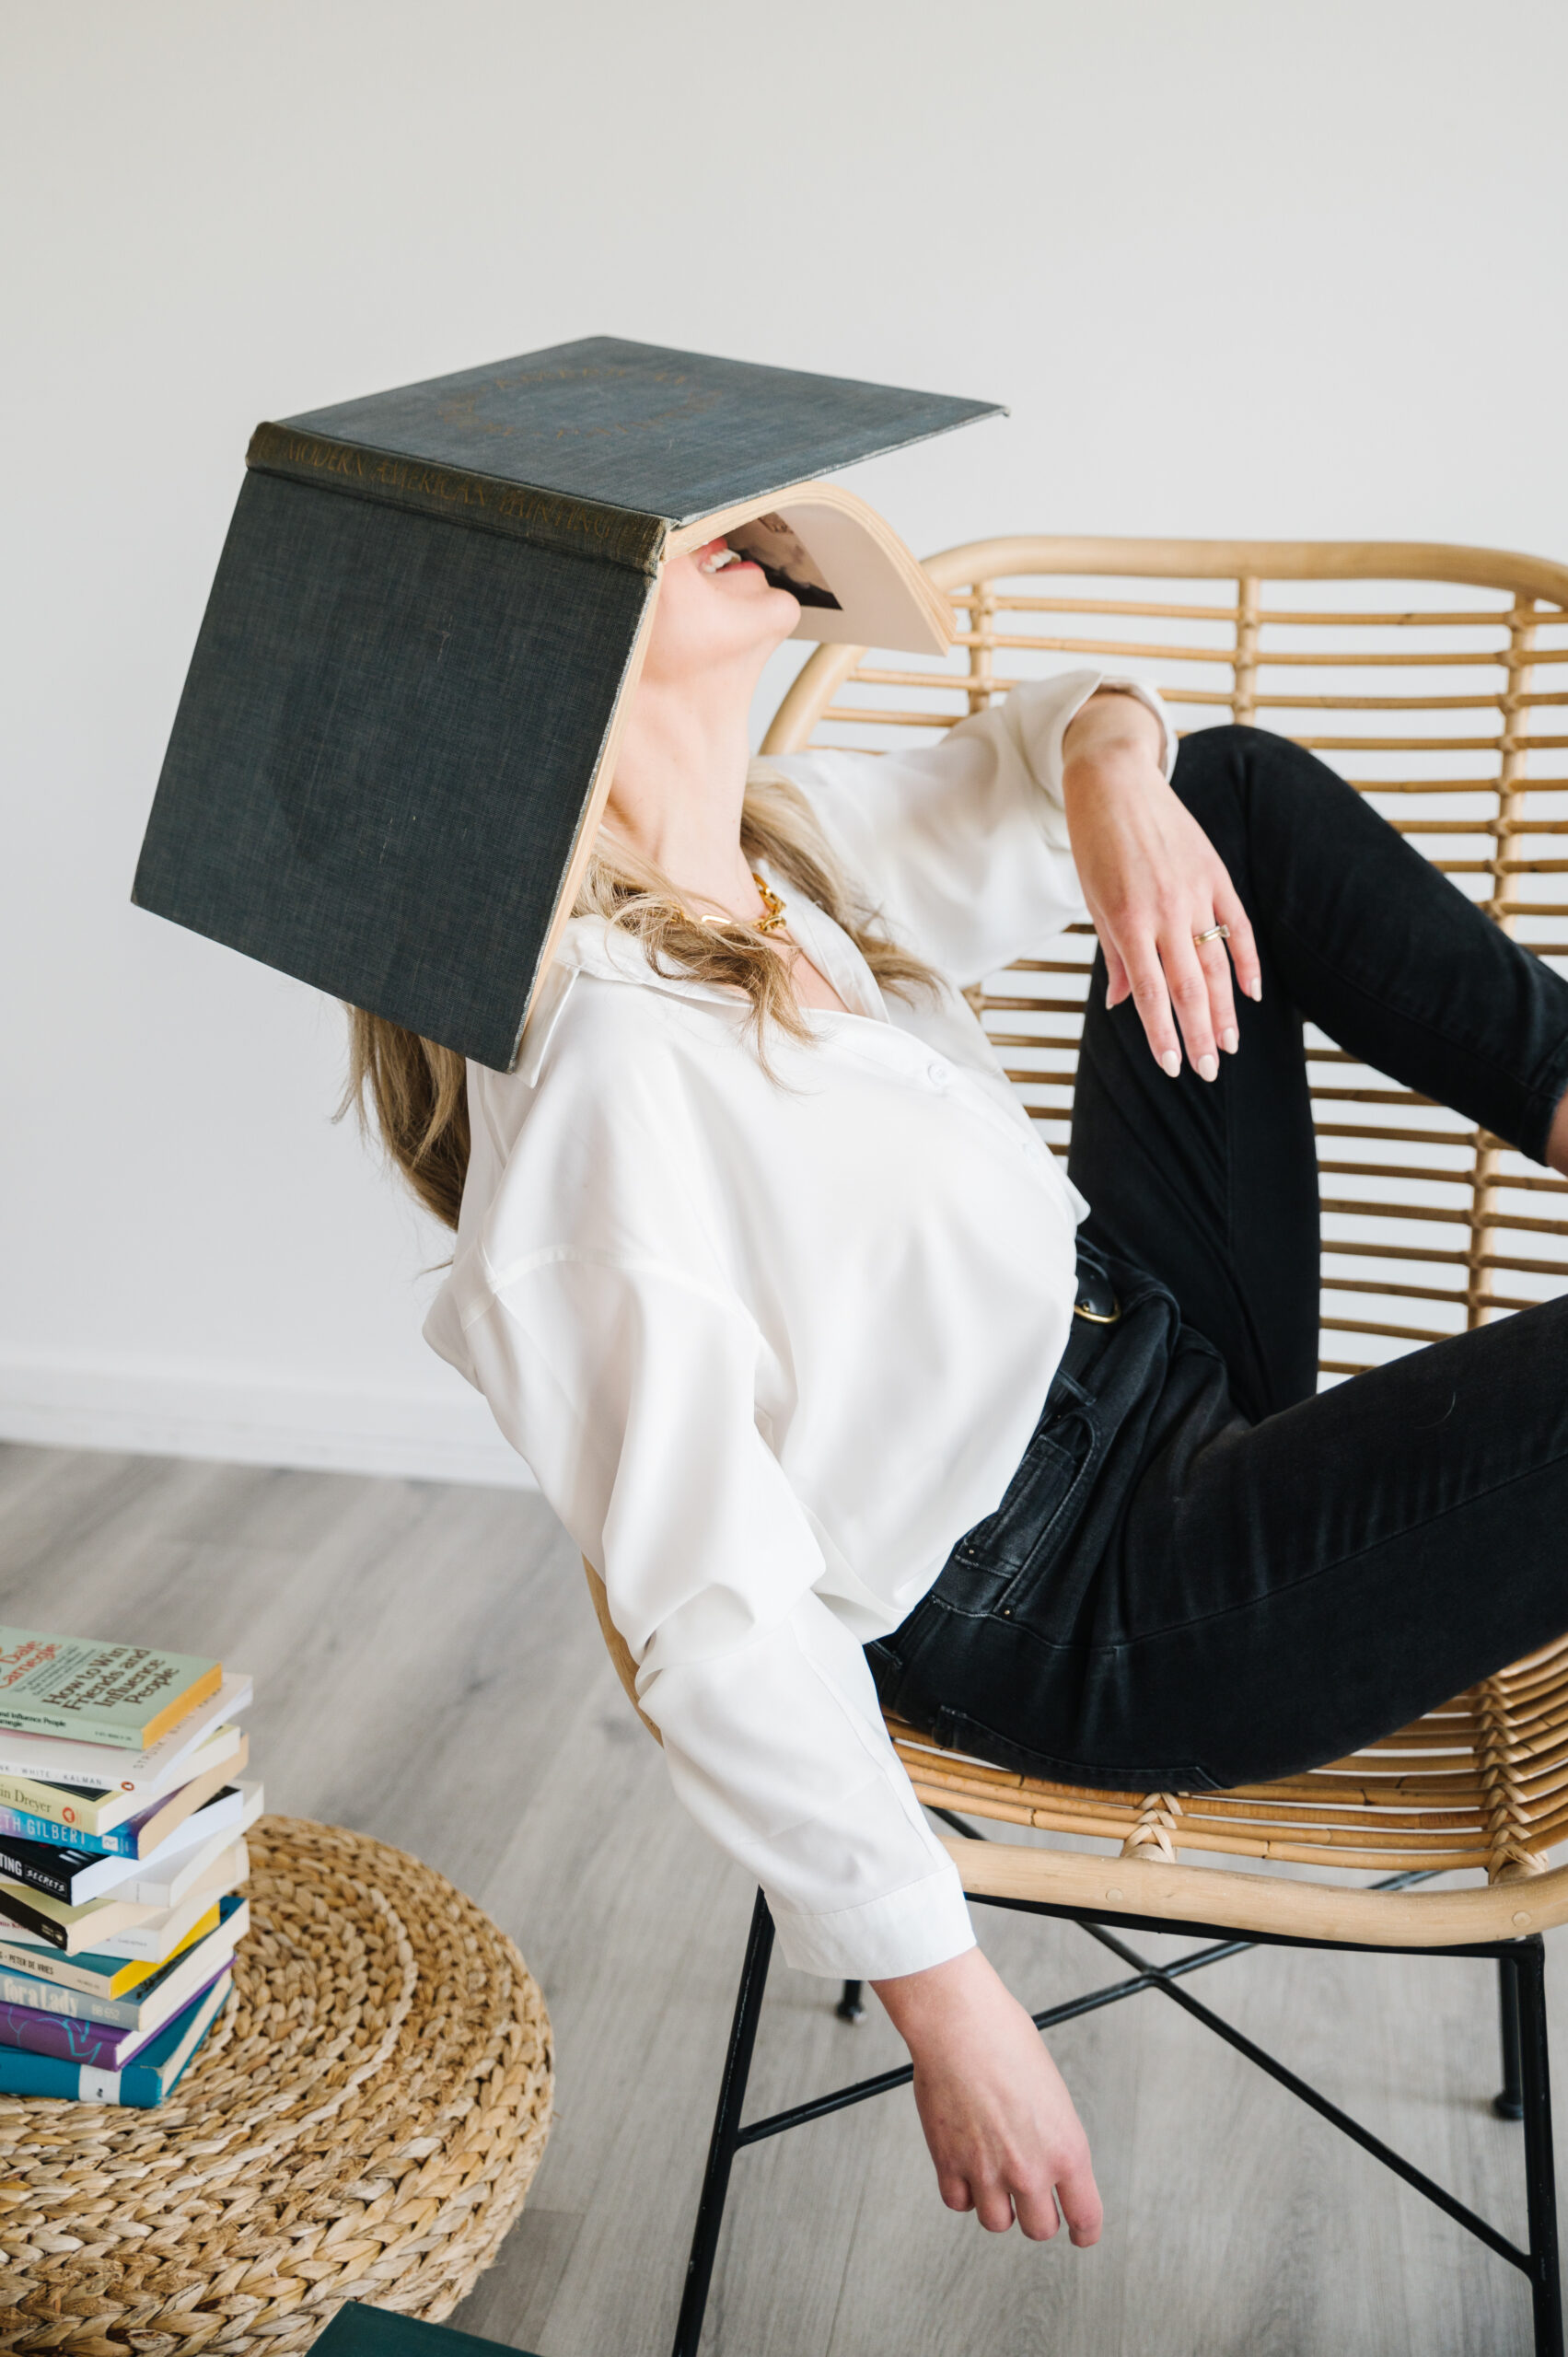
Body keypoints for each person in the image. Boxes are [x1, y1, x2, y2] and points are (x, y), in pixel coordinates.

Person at [354, 531, 1568, 2253]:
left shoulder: (777, 846)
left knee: (1218, 792)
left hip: (1151, 1345)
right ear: (545, 634)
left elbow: (1048, 752)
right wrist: (947, 1994)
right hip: (1098, 1598)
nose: (735, 509)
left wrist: (1114, 772)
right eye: (660, 514)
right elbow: (712, 1609)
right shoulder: (597, 1080)